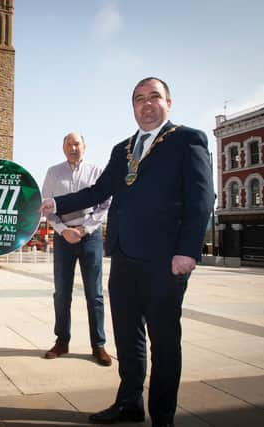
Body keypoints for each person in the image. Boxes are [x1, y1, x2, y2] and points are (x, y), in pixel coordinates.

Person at [41, 77, 213, 427]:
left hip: (166, 261)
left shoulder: (186, 139)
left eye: (154, 97)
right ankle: (129, 402)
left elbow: (201, 198)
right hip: (123, 258)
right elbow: (98, 191)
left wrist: (188, 251)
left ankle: (163, 416)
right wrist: (55, 202)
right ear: (132, 107)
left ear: (169, 102)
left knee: (164, 343)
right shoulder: (122, 149)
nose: (146, 104)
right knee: (128, 336)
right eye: (138, 99)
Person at [41, 132, 112, 366]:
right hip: (63, 238)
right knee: (62, 293)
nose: (73, 147)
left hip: (90, 237)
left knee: (95, 294)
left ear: (85, 146)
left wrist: (84, 230)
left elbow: (104, 205)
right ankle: (62, 341)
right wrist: (63, 230)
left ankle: (98, 345)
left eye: (77, 143)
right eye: (69, 144)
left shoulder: (96, 171)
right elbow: (47, 208)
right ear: (63, 147)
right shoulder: (53, 173)